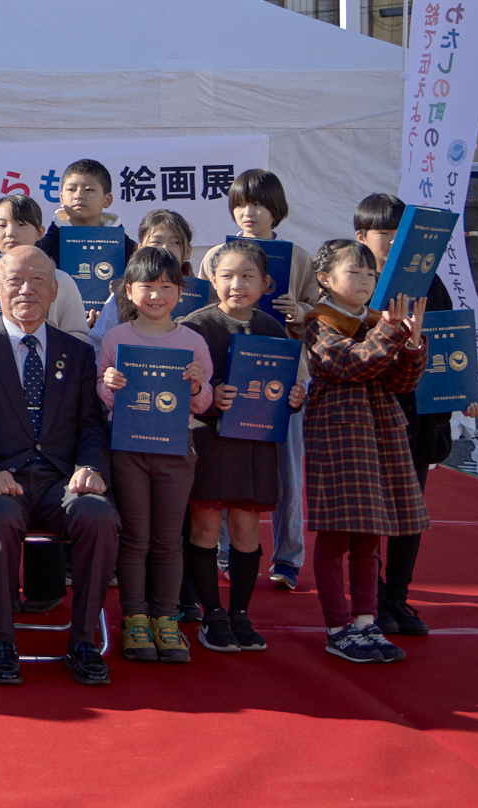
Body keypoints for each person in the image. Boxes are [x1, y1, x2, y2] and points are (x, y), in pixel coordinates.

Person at [0, 245, 120, 686]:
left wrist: (91, 468)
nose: (27, 290)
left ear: (55, 290)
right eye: (16, 281)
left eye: (38, 280)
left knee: (98, 515)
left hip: (60, 481)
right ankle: (2, 640)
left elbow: (91, 426)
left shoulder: (76, 353)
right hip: (0, 481)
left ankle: (82, 641)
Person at [353, 193, 478, 636]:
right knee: (370, 514)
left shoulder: (429, 283)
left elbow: (450, 345)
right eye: (386, 237)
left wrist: (466, 394)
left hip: (419, 417)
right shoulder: (351, 282)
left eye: (402, 237)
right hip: (369, 416)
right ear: (362, 237)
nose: (395, 245)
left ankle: (397, 598)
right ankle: (369, 601)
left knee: (410, 513)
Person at [301, 240, 427, 665]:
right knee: (337, 536)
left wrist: (412, 345)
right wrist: (392, 332)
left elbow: (400, 382)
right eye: (355, 273)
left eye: (371, 275)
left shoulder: (376, 321)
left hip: (379, 435)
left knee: (369, 538)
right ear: (325, 279)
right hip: (340, 436)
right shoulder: (319, 323)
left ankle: (364, 622)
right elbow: (355, 364)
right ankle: (337, 627)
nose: (365, 281)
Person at [178, 238, 303, 654]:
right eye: (227, 276)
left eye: (247, 276)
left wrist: (294, 397)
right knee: (206, 528)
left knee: (247, 532)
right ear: (211, 279)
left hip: (256, 447)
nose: (237, 284)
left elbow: (286, 386)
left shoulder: (272, 328)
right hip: (211, 443)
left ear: (266, 283)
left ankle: (241, 614)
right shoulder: (196, 325)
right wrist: (212, 395)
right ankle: (212, 614)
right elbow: (184, 389)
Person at [96, 247, 214, 665]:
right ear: (130, 290)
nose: (157, 295)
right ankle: (135, 619)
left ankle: (166, 618)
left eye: (167, 287)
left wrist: (198, 386)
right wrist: (108, 382)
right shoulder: (116, 338)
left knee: (168, 540)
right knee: (135, 538)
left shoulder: (192, 341)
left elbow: (203, 405)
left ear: (180, 293)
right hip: (128, 450)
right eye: (147, 286)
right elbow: (103, 399)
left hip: (175, 451)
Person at [200, 168, 309, 592]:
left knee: (286, 470)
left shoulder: (298, 255)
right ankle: (226, 551)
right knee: (225, 468)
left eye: (259, 204)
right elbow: (210, 313)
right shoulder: (215, 256)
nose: (249, 212)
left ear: (276, 210)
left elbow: (320, 310)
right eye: (241, 203)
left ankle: (288, 557)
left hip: (284, 375)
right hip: (229, 377)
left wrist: (300, 312)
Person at [0, 194, 89, 337]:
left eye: (21, 224)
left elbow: (80, 336)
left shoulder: (61, 281)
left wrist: (54, 335)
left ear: (40, 232)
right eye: (2, 225)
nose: (10, 233)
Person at [36, 159, 135, 329]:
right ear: (61, 198)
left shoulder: (128, 249)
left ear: (107, 199)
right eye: (71, 189)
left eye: (89, 190)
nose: (79, 195)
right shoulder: (42, 249)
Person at [88, 209, 197, 347]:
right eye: (156, 242)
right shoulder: (122, 294)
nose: (164, 249)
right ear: (140, 249)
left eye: (175, 242)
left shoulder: (203, 294)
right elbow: (98, 341)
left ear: (188, 251)